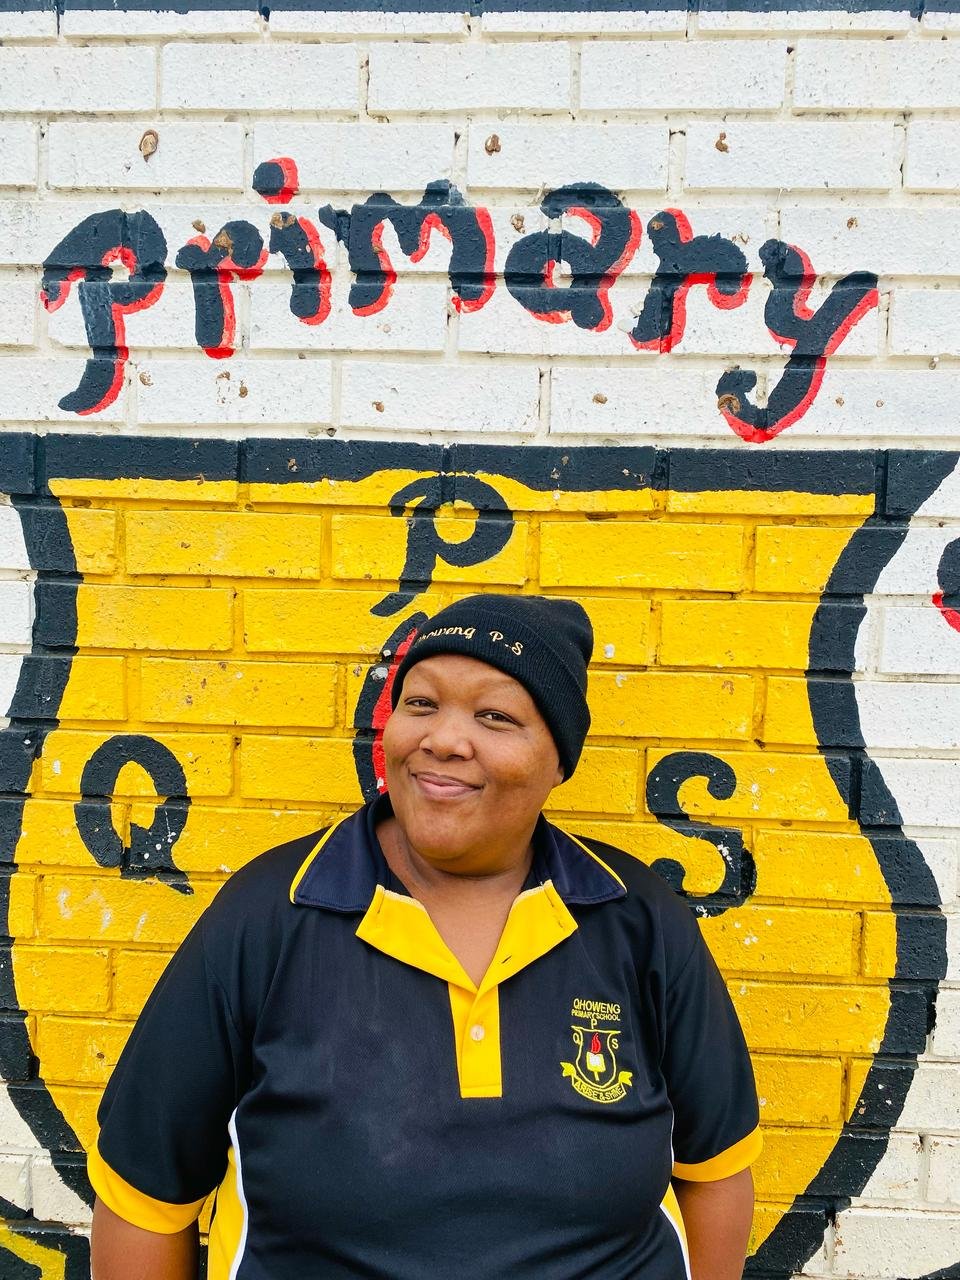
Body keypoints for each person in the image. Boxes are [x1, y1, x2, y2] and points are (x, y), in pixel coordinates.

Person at [90, 593, 761, 1280]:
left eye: (495, 716)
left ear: (558, 760)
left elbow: (714, 1171)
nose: (443, 739)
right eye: (420, 704)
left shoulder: (637, 919)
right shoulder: (269, 915)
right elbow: (144, 1199)